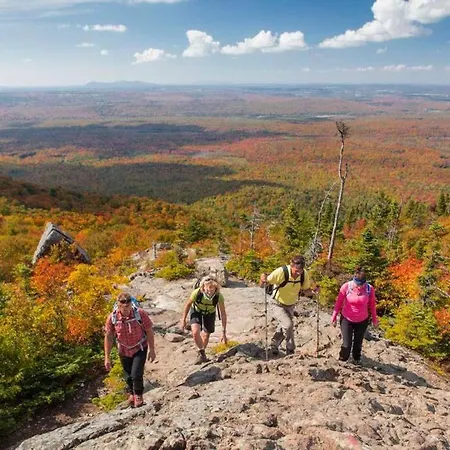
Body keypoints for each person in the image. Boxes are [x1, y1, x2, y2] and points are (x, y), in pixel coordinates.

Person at [104, 292, 156, 408]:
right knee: (128, 375)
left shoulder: (140, 314)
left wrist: (152, 349)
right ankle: (132, 394)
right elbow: (109, 336)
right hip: (123, 349)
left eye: (128, 304)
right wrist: (107, 357)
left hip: (139, 347)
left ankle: (138, 395)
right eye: (123, 304)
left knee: (136, 373)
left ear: (131, 303)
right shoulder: (112, 318)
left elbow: (149, 331)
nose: (125, 307)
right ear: (118, 304)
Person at [260, 255, 315, 356]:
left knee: (284, 325)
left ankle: (274, 344)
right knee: (288, 324)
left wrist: (314, 292)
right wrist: (263, 279)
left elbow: (306, 290)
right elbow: (263, 284)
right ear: (291, 266)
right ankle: (290, 350)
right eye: (296, 271)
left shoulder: (304, 274)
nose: (298, 273)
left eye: (300, 271)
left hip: (291, 304)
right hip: (277, 303)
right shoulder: (281, 272)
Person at [331, 267, 378, 365]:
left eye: (362, 284)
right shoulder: (346, 287)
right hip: (347, 319)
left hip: (362, 320)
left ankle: (357, 359)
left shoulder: (369, 289)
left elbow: (372, 305)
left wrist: (374, 319)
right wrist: (334, 316)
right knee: (347, 344)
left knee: (358, 343)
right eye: (357, 284)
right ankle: (342, 359)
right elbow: (339, 302)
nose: (359, 286)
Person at [180, 276, 228, 365]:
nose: (210, 290)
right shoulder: (196, 293)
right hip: (196, 311)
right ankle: (201, 352)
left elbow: (223, 314)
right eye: (208, 288)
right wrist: (183, 319)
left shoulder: (219, 297)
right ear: (203, 287)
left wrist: (224, 332)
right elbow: (188, 305)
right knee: (195, 332)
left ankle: (202, 354)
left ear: (216, 288)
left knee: (206, 335)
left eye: (213, 288)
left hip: (210, 313)